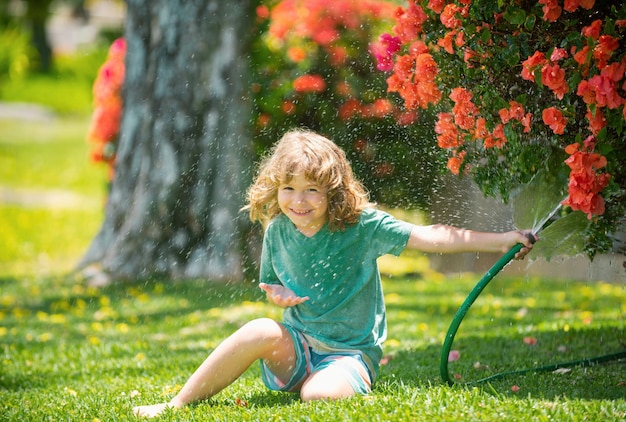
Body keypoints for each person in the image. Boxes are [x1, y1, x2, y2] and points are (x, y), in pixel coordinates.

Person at [133, 129, 535, 417]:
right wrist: (276, 296)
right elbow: (271, 281)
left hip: (348, 354)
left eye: (312, 190)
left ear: (333, 192)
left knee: (320, 398)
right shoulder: (277, 230)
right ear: (275, 189)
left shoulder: (363, 227)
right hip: (297, 347)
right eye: (288, 189)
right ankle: (176, 404)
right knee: (258, 328)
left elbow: (431, 236)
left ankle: (332, 381)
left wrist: (499, 240)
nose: (299, 201)